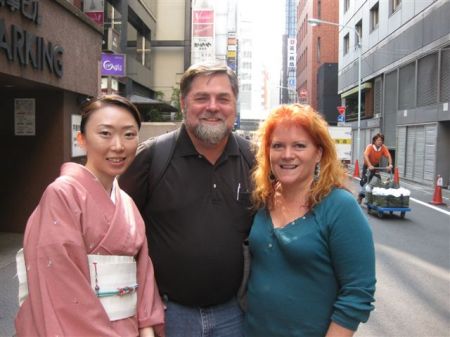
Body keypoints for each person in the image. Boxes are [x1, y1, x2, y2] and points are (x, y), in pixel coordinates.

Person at [119, 63, 255, 337]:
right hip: (170, 314)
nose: (213, 107)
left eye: (223, 98)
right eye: (201, 98)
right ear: (184, 104)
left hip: (235, 313)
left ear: (234, 105)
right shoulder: (152, 158)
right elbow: (120, 235)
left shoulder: (254, 160)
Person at [15, 95, 164, 337]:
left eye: (129, 134)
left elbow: (143, 275)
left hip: (129, 328)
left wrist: (146, 328)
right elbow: (60, 285)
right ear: (81, 139)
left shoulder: (126, 202)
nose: (118, 146)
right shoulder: (62, 195)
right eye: (105, 133)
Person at [244, 104, 376, 337]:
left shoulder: (339, 206)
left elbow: (358, 292)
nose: (287, 154)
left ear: (319, 153)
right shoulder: (263, 198)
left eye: (299, 145)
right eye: (278, 146)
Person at [358, 133, 393, 203]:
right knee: (364, 182)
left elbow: (388, 155)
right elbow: (365, 155)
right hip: (367, 166)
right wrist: (369, 165)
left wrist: (390, 164)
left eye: (381, 140)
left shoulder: (383, 147)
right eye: (378, 140)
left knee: (376, 181)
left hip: (376, 166)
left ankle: (372, 197)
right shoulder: (370, 147)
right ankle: (360, 196)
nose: (380, 142)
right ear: (374, 141)